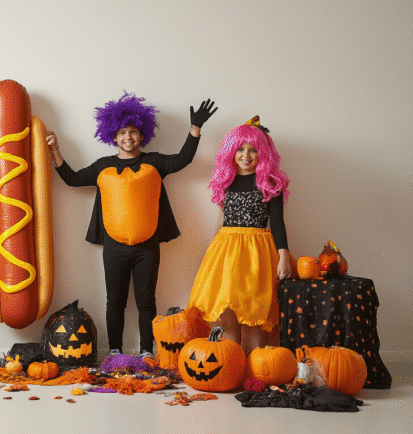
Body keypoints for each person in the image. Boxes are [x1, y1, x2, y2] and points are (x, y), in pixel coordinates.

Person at [46, 93, 217, 358]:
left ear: (142, 134)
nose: (128, 137)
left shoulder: (155, 163)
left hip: (146, 247)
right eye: (123, 132)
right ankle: (115, 351)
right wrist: (55, 150)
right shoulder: (103, 167)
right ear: (113, 136)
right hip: (114, 247)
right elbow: (72, 179)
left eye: (134, 131)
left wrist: (195, 129)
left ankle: (146, 351)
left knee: (146, 301)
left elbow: (183, 158)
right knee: (115, 301)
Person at [187, 116, 292, 355]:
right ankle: (231, 368)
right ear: (231, 152)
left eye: (253, 150)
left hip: (256, 254)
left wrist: (283, 256)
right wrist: (213, 252)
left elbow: (277, 222)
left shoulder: (269, 183)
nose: (246, 155)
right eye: (240, 149)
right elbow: (224, 219)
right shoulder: (227, 182)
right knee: (229, 318)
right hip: (227, 252)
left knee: (254, 318)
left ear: (263, 153)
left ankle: (256, 373)